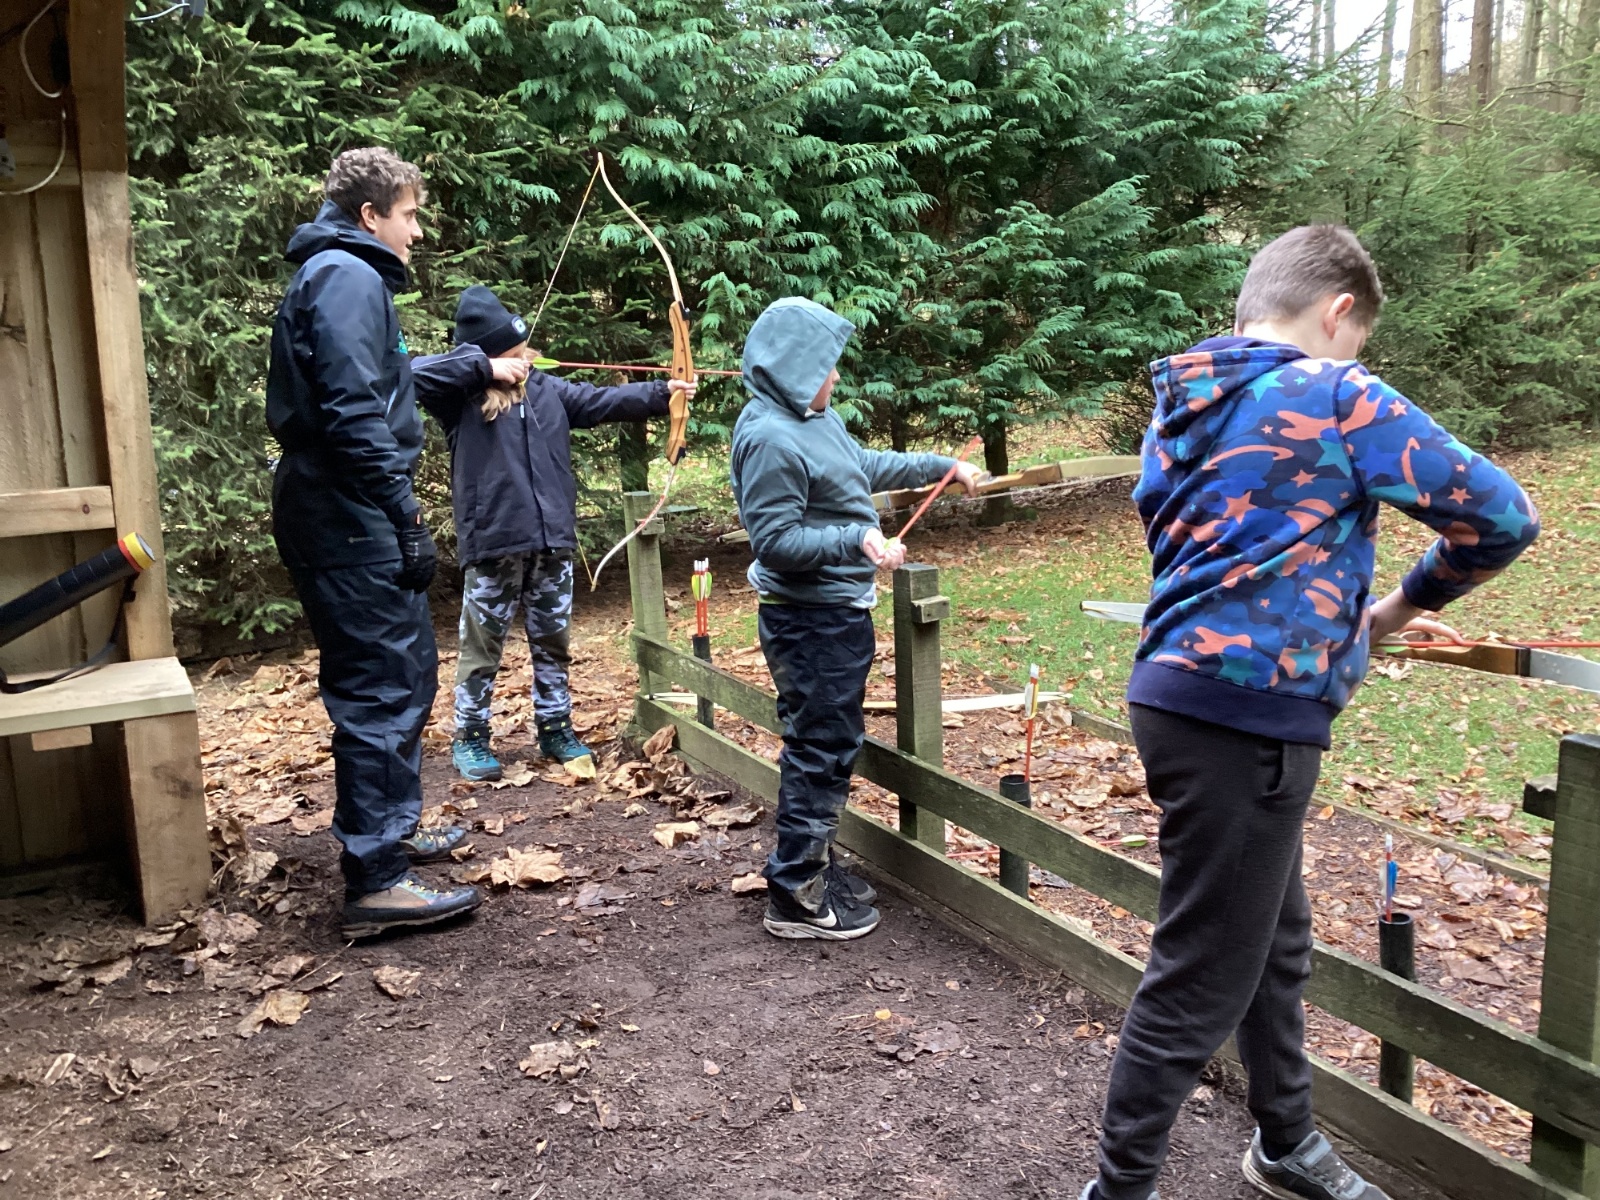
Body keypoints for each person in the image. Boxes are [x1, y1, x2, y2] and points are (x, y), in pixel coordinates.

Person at [1080, 225, 1540, 1200]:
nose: (1357, 355)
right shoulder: (1333, 392)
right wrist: (1395, 609)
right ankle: (1117, 1190)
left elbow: (1212, 553)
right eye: (1358, 337)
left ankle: (1285, 1140)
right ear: (1338, 313)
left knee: (1271, 944)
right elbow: (1502, 517)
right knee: (1200, 975)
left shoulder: (1179, 406)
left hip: (1174, 697)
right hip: (1246, 722)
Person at [266, 148, 530, 939]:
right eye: (408, 215)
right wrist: (405, 514)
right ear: (369, 215)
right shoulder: (346, 277)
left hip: (344, 506)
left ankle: (391, 830)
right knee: (381, 683)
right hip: (346, 512)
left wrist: (476, 365)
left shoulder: (341, 276)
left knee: (405, 670)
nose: (416, 231)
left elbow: (387, 382)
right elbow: (353, 415)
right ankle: (377, 879)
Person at [730, 297, 982, 940]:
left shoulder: (816, 418)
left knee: (830, 741)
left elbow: (860, 467)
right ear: (792, 369)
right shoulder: (769, 438)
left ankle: (812, 864)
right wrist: (859, 540)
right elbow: (775, 542)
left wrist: (942, 468)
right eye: (825, 366)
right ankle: (795, 892)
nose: (836, 376)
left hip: (836, 614)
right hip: (808, 621)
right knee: (820, 748)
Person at [417, 285, 696, 781]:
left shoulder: (546, 390)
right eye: (512, 351)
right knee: (483, 647)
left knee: (553, 641)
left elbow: (602, 400)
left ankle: (555, 727)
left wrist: (664, 393)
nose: (523, 358)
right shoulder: (459, 397)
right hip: (495, 541)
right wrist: (486, 369)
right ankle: (471, 736)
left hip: (552, 539)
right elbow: (412, 373)